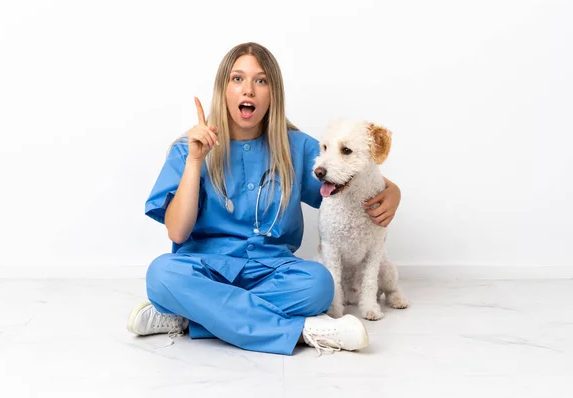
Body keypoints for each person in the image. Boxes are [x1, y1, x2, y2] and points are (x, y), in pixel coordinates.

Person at [126, 42, 402, 356]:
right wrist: (194, 161)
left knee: (319, 285)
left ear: (273, 93)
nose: (249, 91)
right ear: (223, 89)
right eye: (237, 79)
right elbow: (177, 232)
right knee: (162, 275)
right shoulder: (188, 149)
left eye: (261, 81)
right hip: (204, 269)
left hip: (273, 272)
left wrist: (393, 191)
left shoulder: (295, 147)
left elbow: (347, 171)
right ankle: (304, 330)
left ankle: (191, 315)